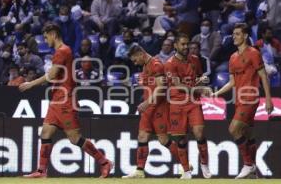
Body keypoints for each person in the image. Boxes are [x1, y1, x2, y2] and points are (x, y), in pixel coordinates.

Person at [19, 23, 113, 178]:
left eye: (46, 36)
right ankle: (42, 171)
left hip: (65, 100)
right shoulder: (60, 51)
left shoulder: (63, 51)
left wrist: (31, 84)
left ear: (53, 34)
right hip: (56, 99)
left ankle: (104, 162)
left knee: (75, 139)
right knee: (45, 133)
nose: (46, 40)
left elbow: (52, 74)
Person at [212, 23, 274, 179]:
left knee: (233, 129)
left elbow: (263, 77)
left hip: (251, 98)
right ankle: (252, 171)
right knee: (247, 133)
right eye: (233, 34)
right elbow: (232, 82)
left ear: (245, 36)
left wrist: (268, 99)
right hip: (239, 99)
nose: (234, 36)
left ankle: (248, 165)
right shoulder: (232, 57)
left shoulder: (253, 53)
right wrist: (217, 93)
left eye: (238, 34)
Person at [122, 44, 182, 178]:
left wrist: (146, 102)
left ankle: (185, 165)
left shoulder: (156, 64)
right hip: (149, 108)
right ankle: (139, 171)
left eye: (135, 60)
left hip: (158, 107)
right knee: (142, 136)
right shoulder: (145, 66)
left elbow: (161, 87)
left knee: (163, 139)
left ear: (141, 54)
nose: (135, 63)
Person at [164, 33, 212, 179]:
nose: (186, 47)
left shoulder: (195, 60)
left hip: (193, 102)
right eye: (183, 44)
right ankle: (186, 171)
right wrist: (199, 89)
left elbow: (197, 78)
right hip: (177, 103)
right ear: (176, 46)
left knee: (199, 133)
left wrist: (202, 80)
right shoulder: (170, 63)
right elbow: (178, 85)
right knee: (181, 139)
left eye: (187, 44)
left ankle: (204, 163)